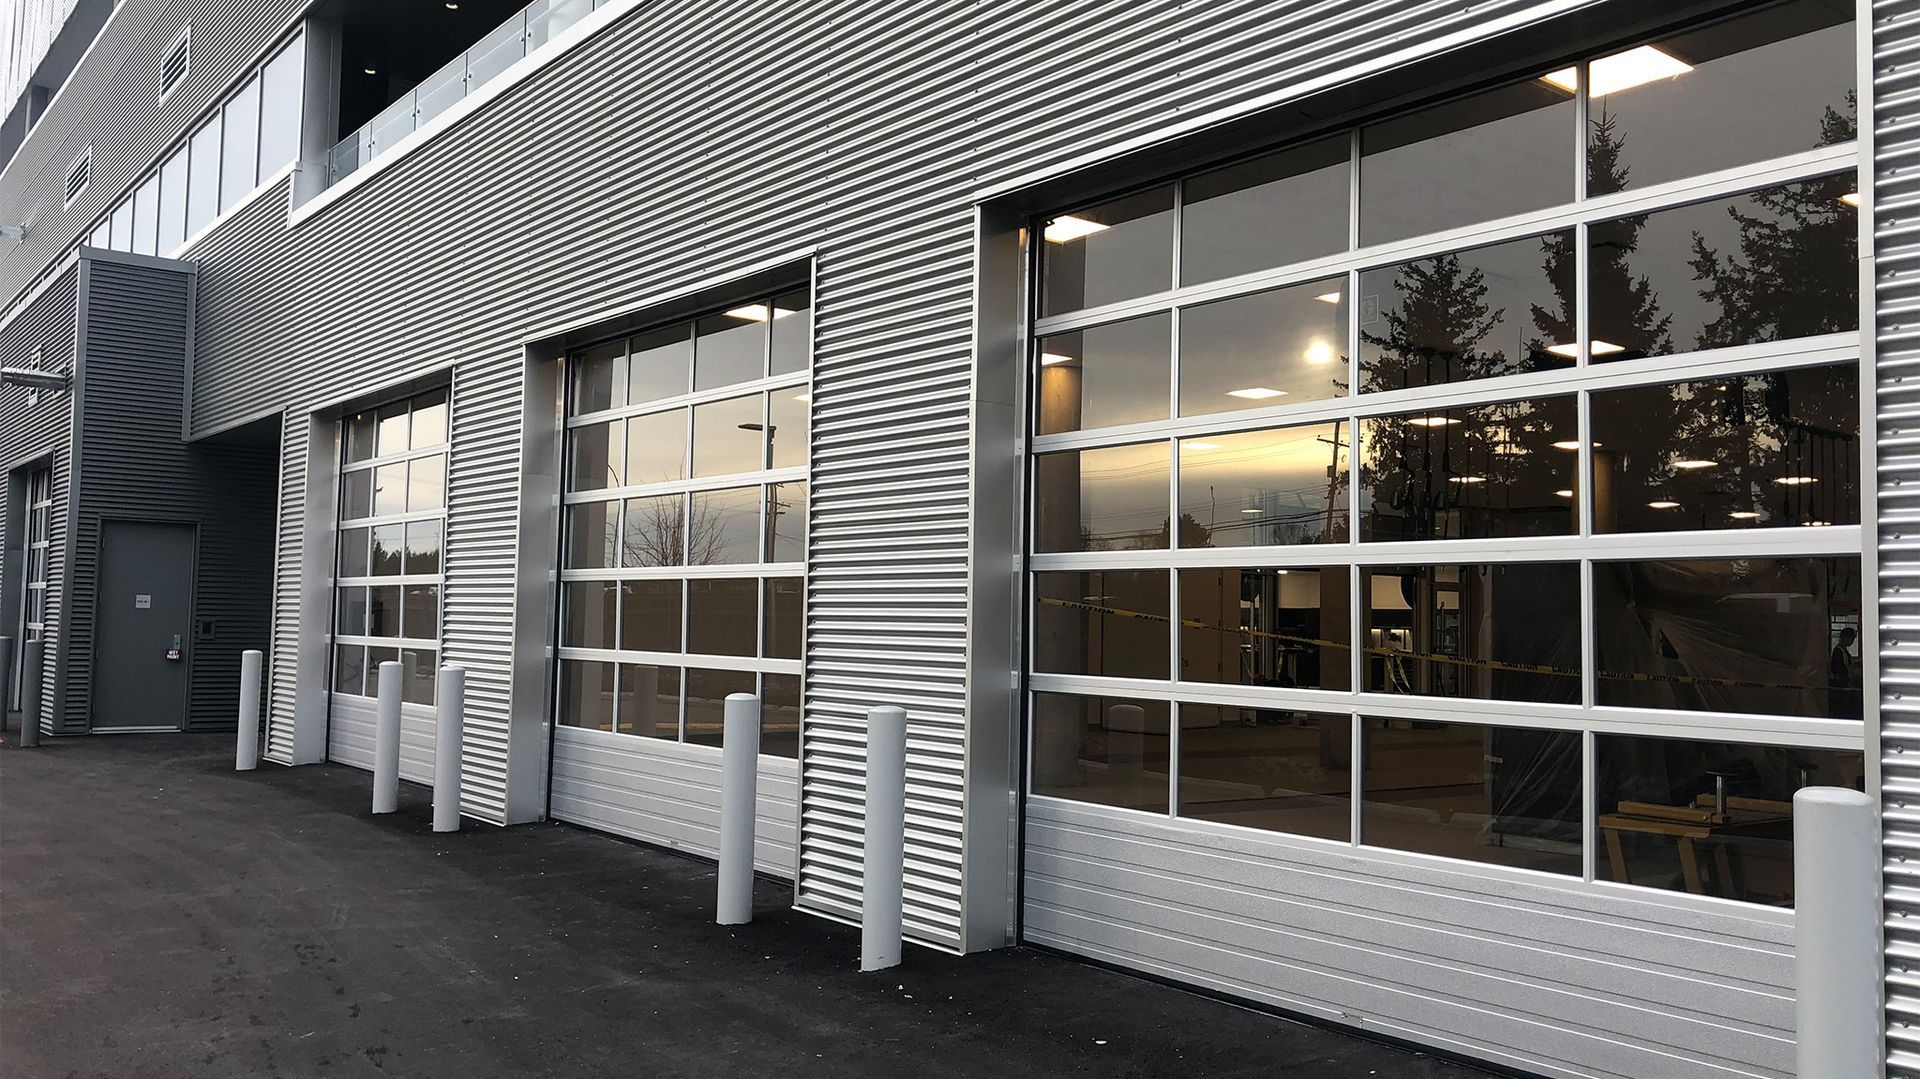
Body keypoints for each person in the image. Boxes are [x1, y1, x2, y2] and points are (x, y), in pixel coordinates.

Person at [1830, 626, 1861, 720]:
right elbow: (1837, 668)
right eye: (1851, 639)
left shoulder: (1844, 651)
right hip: (1842, 683)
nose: (1852, 642)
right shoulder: (1838, 651)